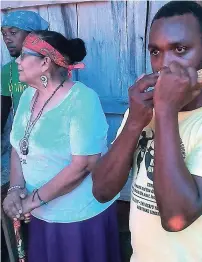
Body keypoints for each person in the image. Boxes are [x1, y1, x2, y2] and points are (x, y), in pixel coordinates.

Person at [91, 1, 202, 262]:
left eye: (180, 49)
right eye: (156, 52)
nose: (164, 66)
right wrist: (134, 122)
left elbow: (176, 217)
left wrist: (166, 111)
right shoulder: (142, 111)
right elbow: (101, 191)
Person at [2, 30, 121, 262]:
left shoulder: (82, 100)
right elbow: (19, 145)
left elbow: (83, 165)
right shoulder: (28, 96)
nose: (17, 61)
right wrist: (15, 190)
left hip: (76, 219)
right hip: (41, 214)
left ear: (45, 62)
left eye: (24, 55)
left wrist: (31, 201)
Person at [1, 10, 49, 132]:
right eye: (4, 34)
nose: (7, 39)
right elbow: (3, 112)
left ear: (33, 35)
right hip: (22, 141)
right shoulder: (9, 70)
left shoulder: (51, 67)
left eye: (13, 32)